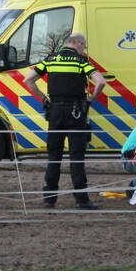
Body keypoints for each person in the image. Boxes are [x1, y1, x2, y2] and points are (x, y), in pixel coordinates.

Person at [24, 33, 106, 210]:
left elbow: (28, 80)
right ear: (78, 43)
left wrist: (44, 99)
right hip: (76, 111)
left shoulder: (51, 60)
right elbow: (100, 82)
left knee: (54, 156)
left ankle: (49, 199)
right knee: (77, 157)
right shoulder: (81, 61)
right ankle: (81, 200)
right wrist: (91, 99)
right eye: (84, 46)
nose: (84, 49)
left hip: (55, 111)